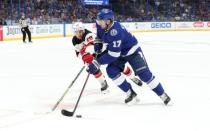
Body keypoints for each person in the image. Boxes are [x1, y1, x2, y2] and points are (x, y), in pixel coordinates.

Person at [87, 9, 171, 105]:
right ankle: (130, 93)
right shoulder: (101, 25)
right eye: (98, 21)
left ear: (108, 21)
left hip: (132, 51)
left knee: (144, 74)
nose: (98, 23)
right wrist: (97, 44)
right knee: (111, 71)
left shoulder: (116, 32)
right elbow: (99, 35)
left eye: (101, 21)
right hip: (119, 52)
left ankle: (162, 94)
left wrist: (97, 62)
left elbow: (113, 55)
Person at [72, 22, 142, 93]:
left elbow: (92, 45)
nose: (81, 33)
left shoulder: (88, 34)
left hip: (104, 52)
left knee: (119, 66)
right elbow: (78, 53)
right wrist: (84, 57)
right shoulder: (74, 40)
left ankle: (132, 77)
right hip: (92, 55)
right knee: (92, 67)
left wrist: (86, 52)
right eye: (78, 32)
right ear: (74, 32)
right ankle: (103, 82)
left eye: (82, 31)